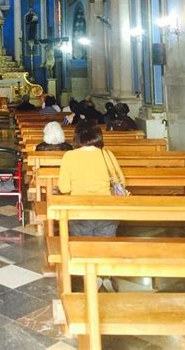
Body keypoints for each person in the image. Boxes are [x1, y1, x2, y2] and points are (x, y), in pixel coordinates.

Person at [58, 120, 125, 291]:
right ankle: (104, 275)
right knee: (105, 244)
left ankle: (89, 277)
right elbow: (120, 182)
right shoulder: (108, 155)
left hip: (80, 212)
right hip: (107, 211)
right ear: (98, 136)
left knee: (82, 244)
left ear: (77, 137)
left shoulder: (69, 156)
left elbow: (64, 188)